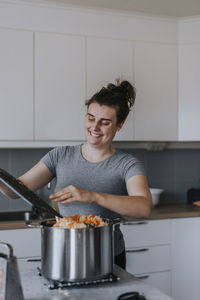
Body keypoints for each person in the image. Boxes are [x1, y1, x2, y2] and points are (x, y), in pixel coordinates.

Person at [0, 79, 152, 269]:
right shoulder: (60, 155)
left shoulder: (127, 164)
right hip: (64, 253)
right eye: (90, 118)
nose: (94, 127)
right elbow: (15, 191)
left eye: (104, 122)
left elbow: (143, 207)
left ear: (119, 125)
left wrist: (93, 196)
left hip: (107, 255)